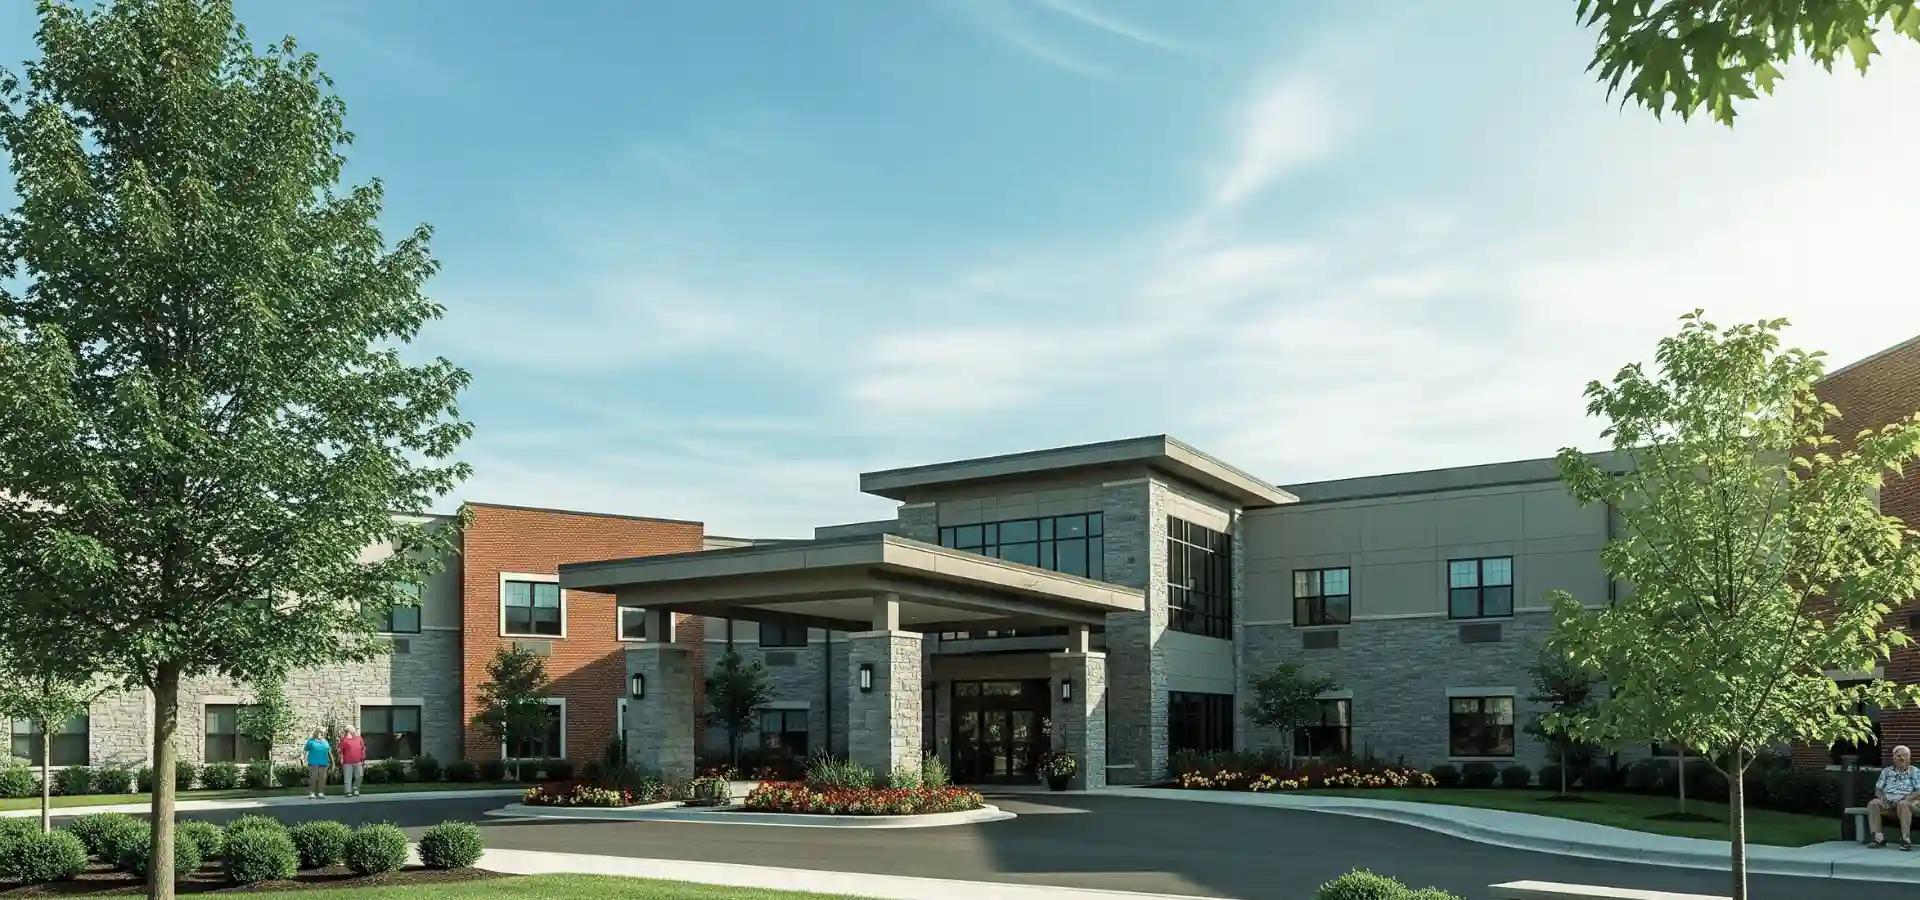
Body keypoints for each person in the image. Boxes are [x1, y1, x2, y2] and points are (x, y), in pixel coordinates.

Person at [1868, 745, 1920, 849]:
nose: (1902, 758)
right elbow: (1878, 789)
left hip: (1908, 801)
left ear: (1909, 758)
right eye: (1899, 755)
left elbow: (1919, 791)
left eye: (1905, 755)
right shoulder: (1887, 772)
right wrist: (1883, 799)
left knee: (1903, 804)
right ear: (1894, 758)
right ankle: (1878, 839)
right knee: (1873, 803)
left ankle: (1905, 839)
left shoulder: (1914, 772)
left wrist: (1906, 799)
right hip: (1888, 801)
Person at [302, 730, 333, 800]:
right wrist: (303, 759)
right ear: (315, 733)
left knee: (322, 778)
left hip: (324, 762)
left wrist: (333, 762)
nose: (320, 734)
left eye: (321, 733)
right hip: (313, 762)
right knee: (313, 777)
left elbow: (329, 752)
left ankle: (320, 793)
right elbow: (305, 750)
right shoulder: (311, 741)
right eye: (318, 733)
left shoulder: (325, 742)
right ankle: (312, 792)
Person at [339, 726, 367, 798]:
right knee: (348, 777)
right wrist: (341, 759)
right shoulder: (344, 740)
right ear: (348, 731)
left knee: (360, 775)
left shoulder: (359, 738)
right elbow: (341, 751)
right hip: (347, 761)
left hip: (358, 761)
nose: (354, 730)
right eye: (352, 729)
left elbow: (363, 748)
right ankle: (348, 791)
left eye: (354, 729)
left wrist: (363, 758)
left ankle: (355, 788)